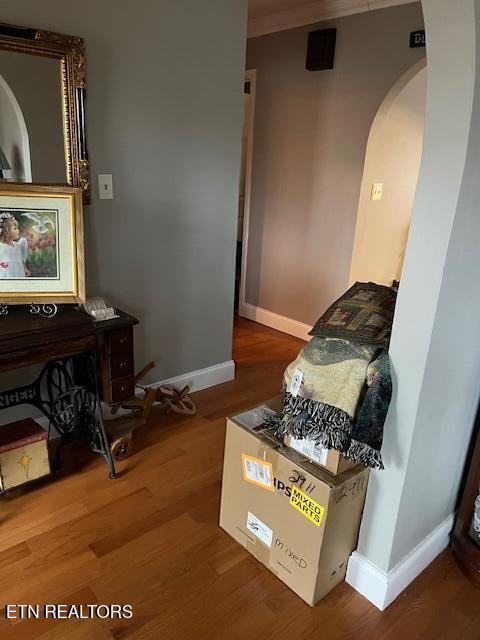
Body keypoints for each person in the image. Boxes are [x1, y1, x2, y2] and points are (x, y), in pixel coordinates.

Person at [0, 211, 30, 278]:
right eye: (15, 228)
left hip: (18, 272)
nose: (18, 230)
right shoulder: (1, 246)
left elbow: (20, 260)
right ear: (6, 232)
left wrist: (25, 269)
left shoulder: (17, 246)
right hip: (6, 273)